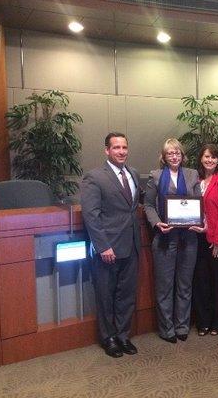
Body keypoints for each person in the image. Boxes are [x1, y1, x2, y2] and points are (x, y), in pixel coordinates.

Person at [80, 132, 141, 358]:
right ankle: (109, 338)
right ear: (107, 150)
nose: (121, 151)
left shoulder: (133, 173)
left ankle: (123, 336)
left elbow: (133, 207)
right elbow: (91, 215)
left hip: (132, 245)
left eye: (124, 147)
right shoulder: (94, 177)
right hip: (109, 247)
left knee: (126, 294)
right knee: (105, 295)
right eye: (116, 147)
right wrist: (102, 246)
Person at [144, 138, 200, 344]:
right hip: (165, 238)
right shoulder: (156, 176)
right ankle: (167, 328)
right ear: (164, 157)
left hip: (189, 238)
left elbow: (198, 203)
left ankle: (182, 326)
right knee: (164, 287)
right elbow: (148, 205)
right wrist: (157, 223)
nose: (174, 157)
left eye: (177, 153)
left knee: (185, 285)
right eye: (170, 154)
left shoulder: (192, 174)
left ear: (182, 155)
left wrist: (200, 222)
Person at [192, 144, 218, 336]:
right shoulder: (195, 179)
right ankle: (203, 322)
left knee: (217, 282)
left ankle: (217, 322)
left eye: (213, 157)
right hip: (197, 237)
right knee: (201, 282)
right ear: (201, 158)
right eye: (206, 156)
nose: (210, 160)